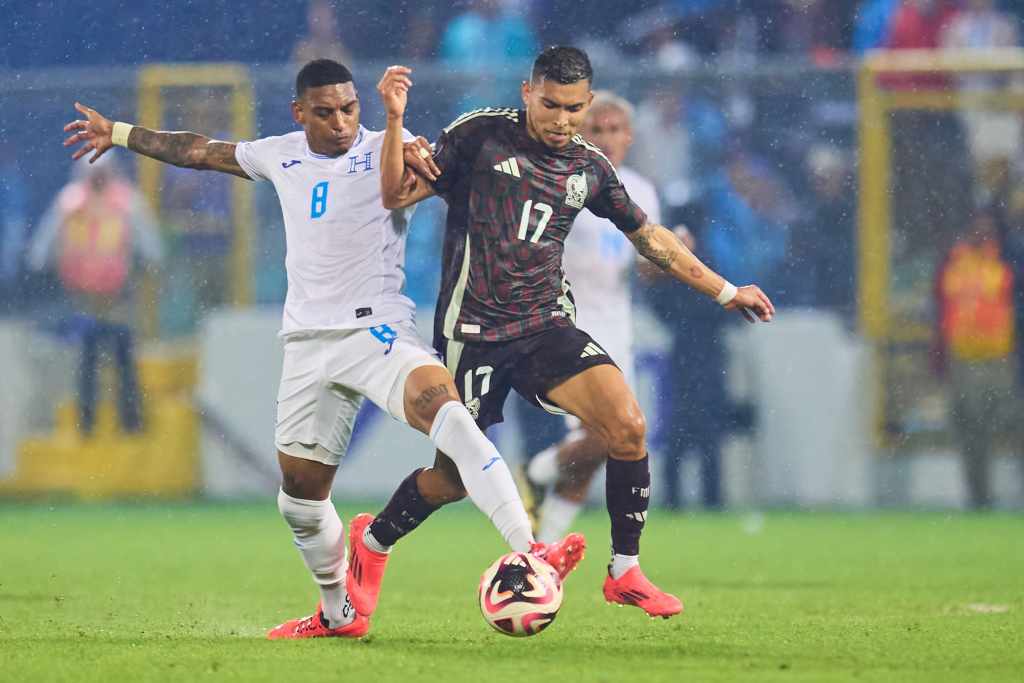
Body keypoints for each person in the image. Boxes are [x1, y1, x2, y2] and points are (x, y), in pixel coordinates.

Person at [62, 59, 581, 641]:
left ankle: (533, 550)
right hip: (308, 343)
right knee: (301, 501)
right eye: (326, 112)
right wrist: (122, 134)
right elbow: (198, 149)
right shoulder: (278, 153)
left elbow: (464, 181)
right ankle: (338, 614)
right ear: (299, 112)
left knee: (452, 418)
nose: (340, 122)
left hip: (378, 331)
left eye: (349, 109)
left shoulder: (395, 145)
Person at [353, 47, 774, 620]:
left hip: (547, 325)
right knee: (450, 479)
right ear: (528, 92)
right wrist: (397, 127)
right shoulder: (479, 136)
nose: (562, 119)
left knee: (626, 426)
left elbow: (650, 239)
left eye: (575, 108)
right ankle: (371, 543)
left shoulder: (590, 168)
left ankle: (624, 570)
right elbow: (398, 195)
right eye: (551, 104)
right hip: (472, 332)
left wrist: (726, 291)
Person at [520, 91, 662, 543]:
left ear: (630, 136)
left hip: (617, 327)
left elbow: (643, 267)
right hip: (569, 327)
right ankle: (538, 471)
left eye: (614, 129)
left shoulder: (641, 191)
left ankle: (545, 551)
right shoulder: (562, 181)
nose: (606, 137)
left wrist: (669, 258)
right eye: (596, 129)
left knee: (600, 448)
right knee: (606, 436)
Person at [27, 154, 162, 435]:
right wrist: (39, 261)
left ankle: (130, 421)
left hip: (118, 296)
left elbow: (147, 239)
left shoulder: (125, 202)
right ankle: (88, 423)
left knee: (121, 355)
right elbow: (49, 237)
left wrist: (151, 260)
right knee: (88, 357)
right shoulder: (71, 202)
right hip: (83, 296)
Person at [935, 209, 1016, 509]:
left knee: (1007, 423)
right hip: (966, 359)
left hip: (999, 358)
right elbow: (942, 310)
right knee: (971, 429)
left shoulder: (1007, 260)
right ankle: (979, 496)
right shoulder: (955, 263)